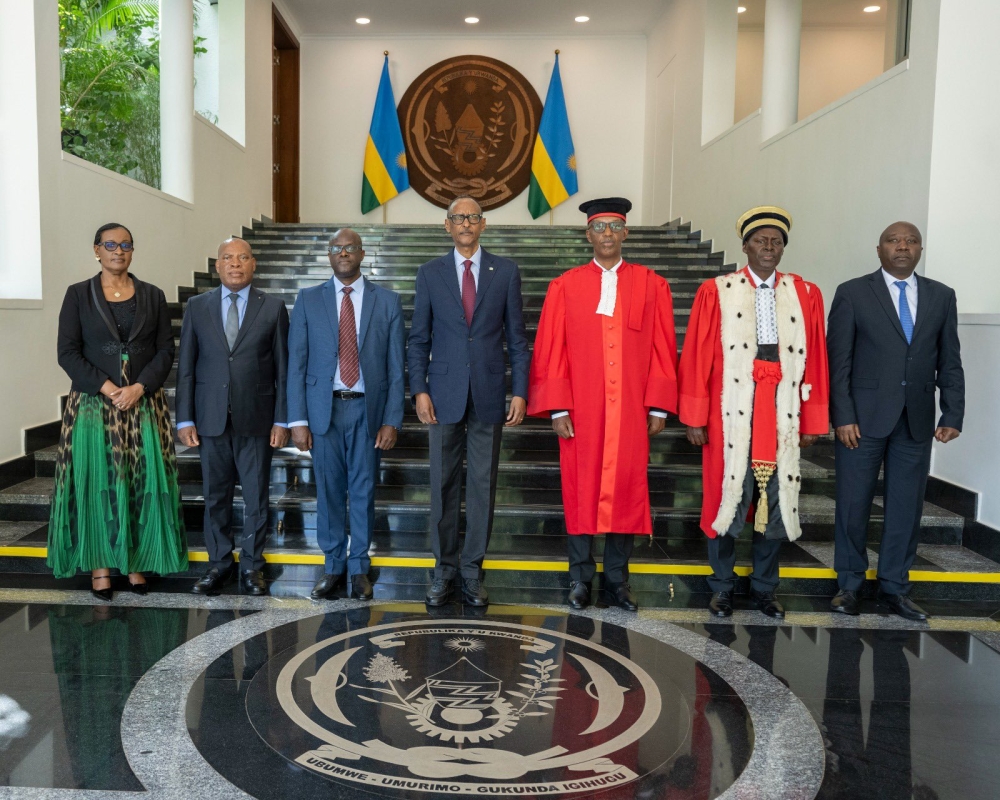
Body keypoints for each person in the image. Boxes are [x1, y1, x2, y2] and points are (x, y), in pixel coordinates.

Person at [528, 197, 678, 612]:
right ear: (588, 234)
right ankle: (580, 577)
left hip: (630, 409)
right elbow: (551, 349)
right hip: (583, 410)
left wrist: (659, 406)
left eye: (615, 226)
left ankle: (618, 581)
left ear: (626, 232)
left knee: (627, 491)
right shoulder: (566, 285)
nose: (607, 233)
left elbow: (665, 347)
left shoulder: (652, 284)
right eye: (600, 227)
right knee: (580, 490)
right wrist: (558, 408)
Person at [679, 206, 829, 619]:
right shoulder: (717, 290)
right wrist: (694, 415)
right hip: (729, 409)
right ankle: (722, 587)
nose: (768, 246)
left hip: (781, 410)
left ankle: (765, 589)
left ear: (783, 248)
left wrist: (813, 418)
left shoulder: (806, 294)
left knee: (776, 500)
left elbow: (815, 356)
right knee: (726, 498)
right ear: (745, 246)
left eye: (776, 241)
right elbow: (695, 356)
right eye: (760, 240)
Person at [827, 222, 964, 621]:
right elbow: (839, 362)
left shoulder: (941, 296)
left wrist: (952, 411)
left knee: (906, 507)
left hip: (917, 419)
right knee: (853, 503)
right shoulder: (852, 292)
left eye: (910, 241)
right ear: (879, 248)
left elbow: (949, 358)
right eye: (894, 240)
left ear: (920, 249)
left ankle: (894, 588)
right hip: (862, 421)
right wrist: (843, 415)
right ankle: (849, 585)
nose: (902, 246)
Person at [48, 222, 188, 600]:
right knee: (100, 484)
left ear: (131, 250)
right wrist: (110, 388)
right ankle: (100, 568)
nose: (118, 250)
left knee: (140, 483)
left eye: (125, 244)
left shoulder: (153, 295)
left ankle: (136, 563)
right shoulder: (78, 295)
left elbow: (165, 351)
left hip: (144, 405)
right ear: (97, 250)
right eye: (110, 244)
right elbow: (67, 353)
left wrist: (140, 387)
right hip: (95, 405)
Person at [408, 196, 530, 607]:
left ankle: (473, 571)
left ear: (483, 225)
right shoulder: (429, 273)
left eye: (473, 217)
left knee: (482, 485)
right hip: (442, 395)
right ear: (447, 226)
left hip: (490, 392)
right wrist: (419, 389)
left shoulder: (506, 272)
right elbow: (418, 338)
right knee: (442, 485)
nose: (466, 223)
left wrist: (521, 390)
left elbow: (517, 338)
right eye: (459, 218)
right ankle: (443, 570)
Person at [287, 228, 405, 601]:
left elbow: (396, 367)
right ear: (328, 254)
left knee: (363, 491)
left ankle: (359, 568)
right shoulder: (308, 300)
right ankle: (333, 565)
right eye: (336, 248)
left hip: (367, 410)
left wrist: (392, 419)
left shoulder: (387, 301)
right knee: (329, 492)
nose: (342, 253)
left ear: (361, 253)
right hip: (325, 411)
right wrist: (298, 420)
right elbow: (297, 364)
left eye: (349, 248)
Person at [176, 237, 290, 597]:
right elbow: (187, 369)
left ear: (253, 264)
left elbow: (283, 371)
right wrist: (184, 419)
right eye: (228, 258)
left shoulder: (272, 307)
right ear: (218, 266)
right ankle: (219, 564)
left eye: (243, 257)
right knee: (215, 495)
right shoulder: (197, 306)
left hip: (257, 417)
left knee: (257, 497)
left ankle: (253, 566)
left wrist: (282, 419)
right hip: (210, 419)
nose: (235, 264)